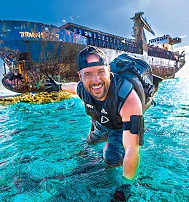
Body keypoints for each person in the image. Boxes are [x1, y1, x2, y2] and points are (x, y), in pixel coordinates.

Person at [45, 46, 145, 201]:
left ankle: (110, 147)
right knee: (90, 142)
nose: (96, 81)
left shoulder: (128, 98)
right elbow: (72, 87)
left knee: (112, 159)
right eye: (88, 74)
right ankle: (95, 143)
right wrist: (58, 86)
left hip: (120, 127)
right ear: (80, 76)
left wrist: (125, 187)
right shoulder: (82, 88)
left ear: (108, 71)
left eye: (100, 72)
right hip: (101, 122)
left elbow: (132, 149)